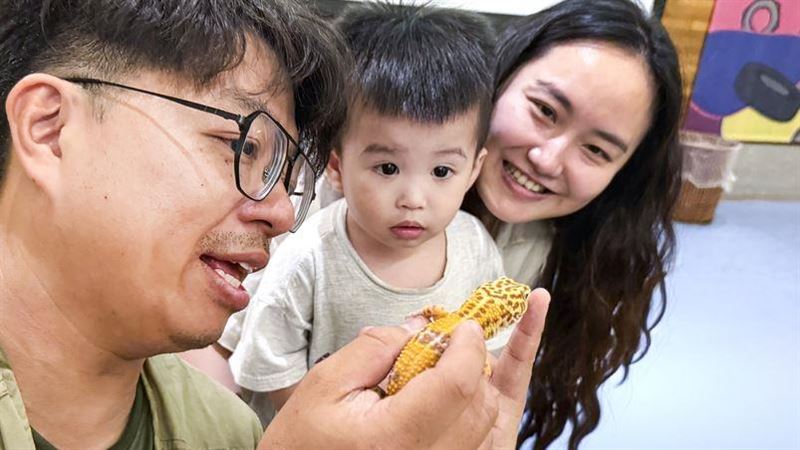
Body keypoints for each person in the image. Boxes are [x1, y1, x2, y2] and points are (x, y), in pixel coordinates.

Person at [0, 1, 550, 449]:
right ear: (51, 129)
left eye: (285, 176)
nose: (282, 214)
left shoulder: (232, 434)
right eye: (240, 146)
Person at [218, 2, 508, 425]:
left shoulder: (475, 247)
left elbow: (490, 350)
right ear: (336, 167)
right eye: (387, 168)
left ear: (473, 170)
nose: (413, 197)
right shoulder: (310, 256)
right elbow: (271, 367)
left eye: (442, 171)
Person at [459, 0, 683, 448]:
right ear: (500, 76)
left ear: (623, 176)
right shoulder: (346, 189)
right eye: (544, 110)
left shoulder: (551, 260)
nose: (547, 159)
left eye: (597, 151)